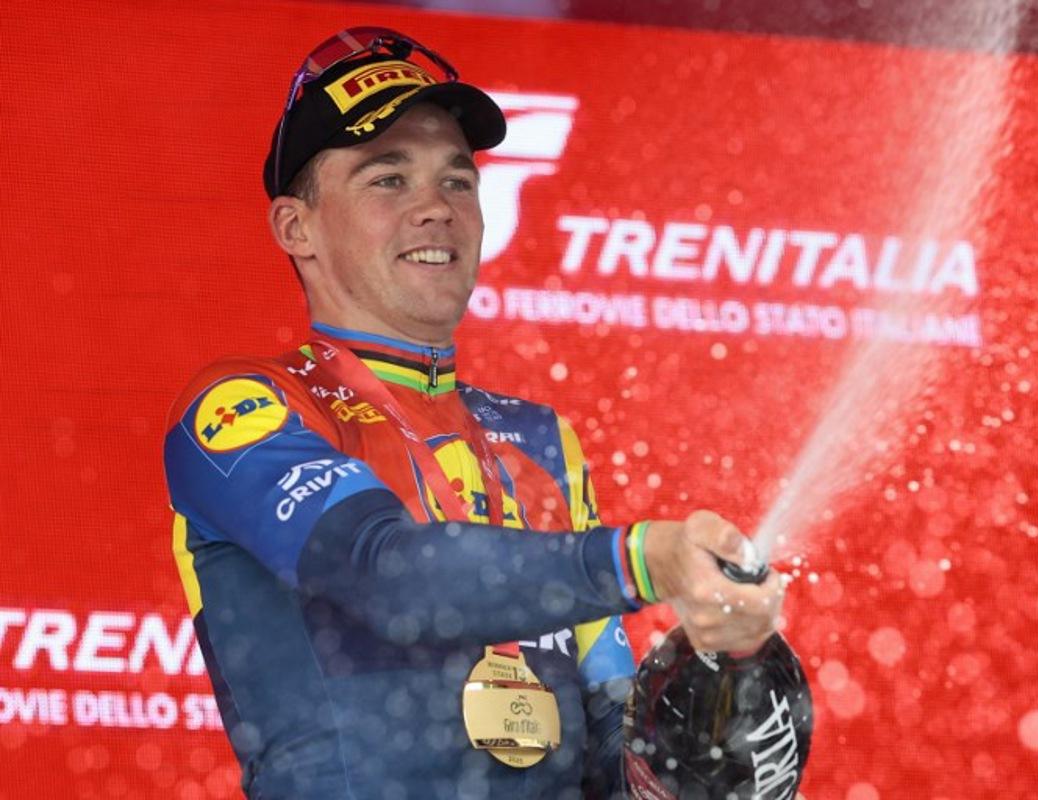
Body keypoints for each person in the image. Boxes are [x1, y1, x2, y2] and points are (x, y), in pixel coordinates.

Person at [163, 26, 782, 799]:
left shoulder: (541, 441)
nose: (436, 209)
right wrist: (639, 560)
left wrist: (722, 685)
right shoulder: (244, 406)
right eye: (388, 179)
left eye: (457, 181)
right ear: (297, 227)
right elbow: (385, 576)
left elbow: (611, 745)